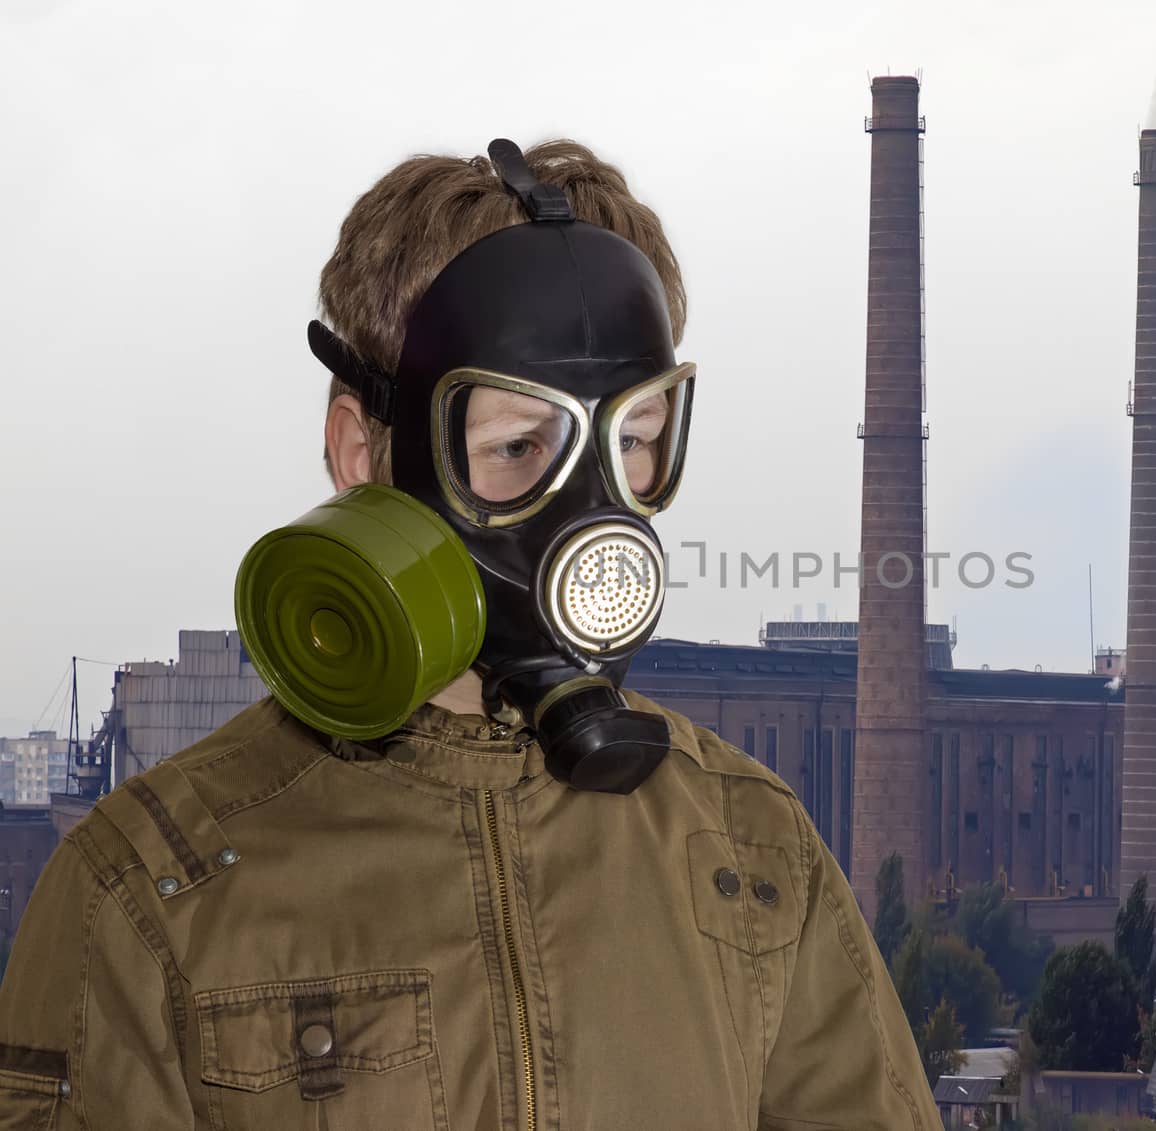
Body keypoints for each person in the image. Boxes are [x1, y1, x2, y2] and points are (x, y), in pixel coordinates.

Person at [0, 137, 940, 1130]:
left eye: (631, 441)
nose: (589, 507)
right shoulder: (149, 885)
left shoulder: (747, 848)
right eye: (516, 446)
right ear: (362, 448)